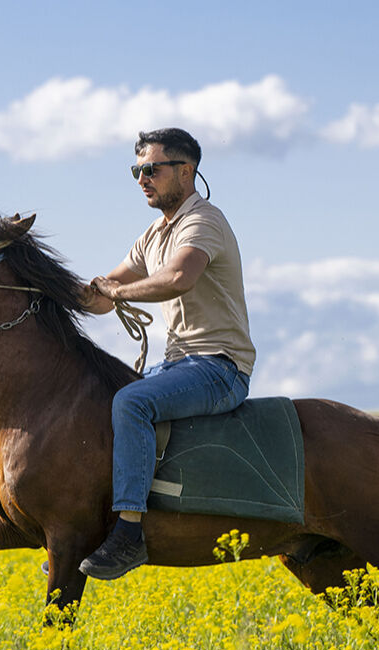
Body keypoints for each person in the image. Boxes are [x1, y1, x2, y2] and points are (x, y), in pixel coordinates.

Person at [78, 127, 256, 580]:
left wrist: (118, 292)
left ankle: (128, 534)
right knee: (105, 400)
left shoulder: (202, 221)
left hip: (220, 367)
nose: (142, 179)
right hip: (179, 365)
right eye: (136, 171)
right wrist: (48, 289)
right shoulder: (154, 234)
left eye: (152, 169)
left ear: (185, 170)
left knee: (131, 402)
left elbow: (178, 277)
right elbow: (103, 294)